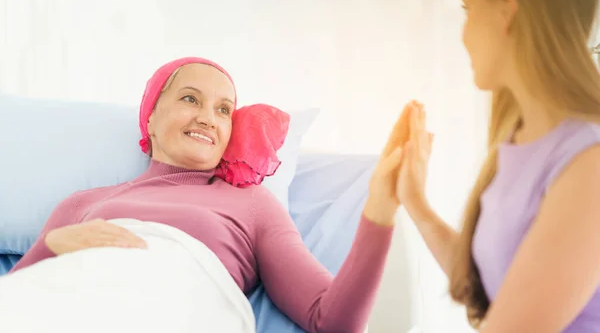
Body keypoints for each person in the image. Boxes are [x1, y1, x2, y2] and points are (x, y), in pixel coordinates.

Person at [7, 56, 411, 333]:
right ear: (150, 113)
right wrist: (53, 245)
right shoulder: (81, 204)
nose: (207, 117)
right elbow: (20, 294)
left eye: (223, 110)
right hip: (66, 296)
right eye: (190, 99)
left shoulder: (251, 203)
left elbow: (330, 319)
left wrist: (380, 214)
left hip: (172, 302)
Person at [396, 0, 600, 332]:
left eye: (468, 8)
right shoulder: (518, 139)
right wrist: (414, 200)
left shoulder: (589, 165)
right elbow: (492, 289)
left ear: (506, 11)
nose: (463, 33)